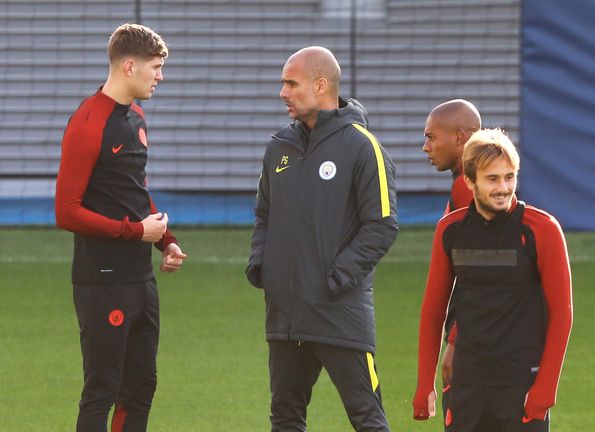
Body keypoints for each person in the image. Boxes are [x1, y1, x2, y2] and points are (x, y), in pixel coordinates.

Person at [246, 46, 399, 431]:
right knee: (285, 418)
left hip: (339, 313)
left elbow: (381, 225)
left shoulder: (363, 148)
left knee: (367, 418)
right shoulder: (278, 146)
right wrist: (262, 267)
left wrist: (335, 279)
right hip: (286, 316)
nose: (282, 92)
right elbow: (264, 214)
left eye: (290, 83)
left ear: (319, 85)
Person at [55, 23, 188, 432]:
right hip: (101, 282)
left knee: (141, 386)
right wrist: (135, 232)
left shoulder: (136, 117)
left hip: (140, 279)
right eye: (155, 67)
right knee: (101, 390)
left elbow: (134, 191)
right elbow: (66, 211)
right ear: (129, 66)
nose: (160, 76)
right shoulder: (88, 122)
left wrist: (164, 239)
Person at [413, 128, 573, 431]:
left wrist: (545, 388)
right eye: (492, 179)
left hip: (521, 382)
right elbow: (433, 311)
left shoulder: (542, 229)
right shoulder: (450, 230)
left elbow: (562, 315)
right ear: (470, 181)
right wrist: (425, 385)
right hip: (465, 385)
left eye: (509, 177)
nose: (503, 187)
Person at [422, 99, 481, 424]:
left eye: (432, 137)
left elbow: (480, 273)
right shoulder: (470, 183)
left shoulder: (467, 188)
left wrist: (456, 340)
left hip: (476, 335)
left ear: (460, 138)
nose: (425, 147)